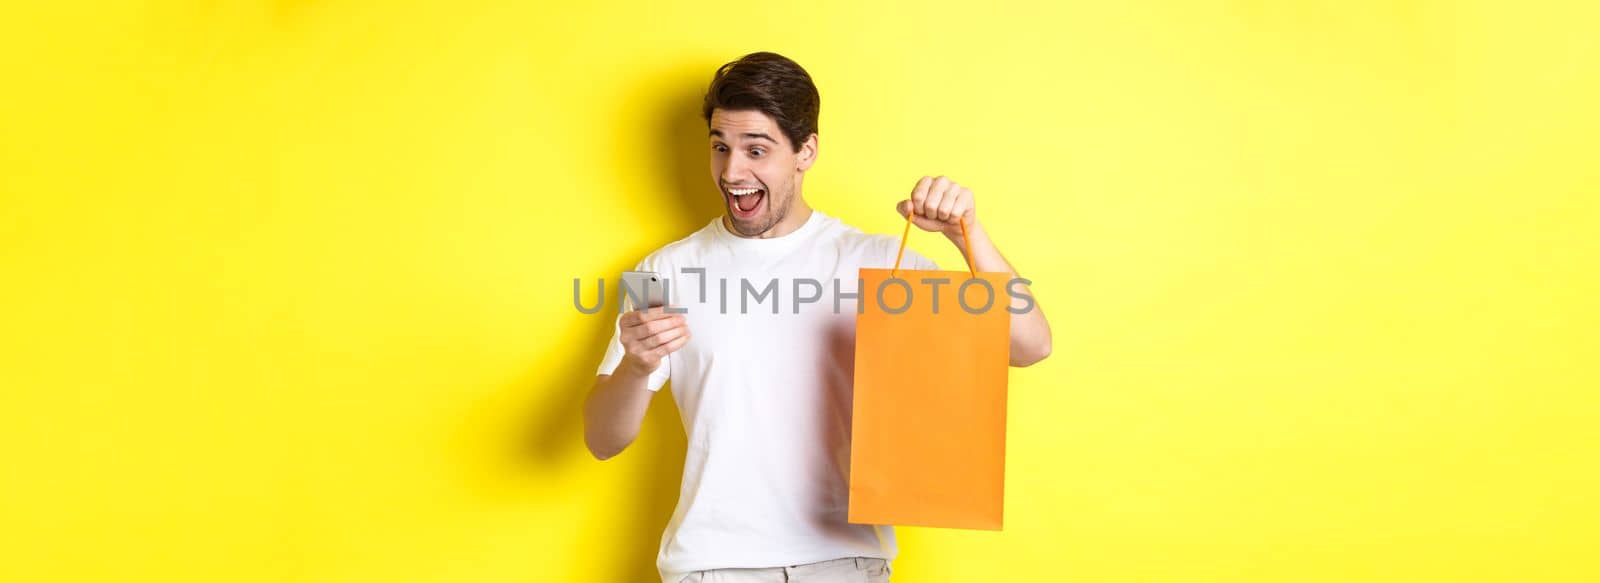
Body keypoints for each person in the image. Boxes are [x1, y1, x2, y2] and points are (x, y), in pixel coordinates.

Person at [583, 51, 1052, 583]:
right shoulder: (663, 270)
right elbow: (602, 440)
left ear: (806, 151)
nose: (732, 172)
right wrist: (637, 367)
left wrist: (967, 236)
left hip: (846, 563)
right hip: (712, 566)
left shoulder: (877, 264)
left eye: (756, 150)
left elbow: (1029, 345)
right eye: (720, 148)